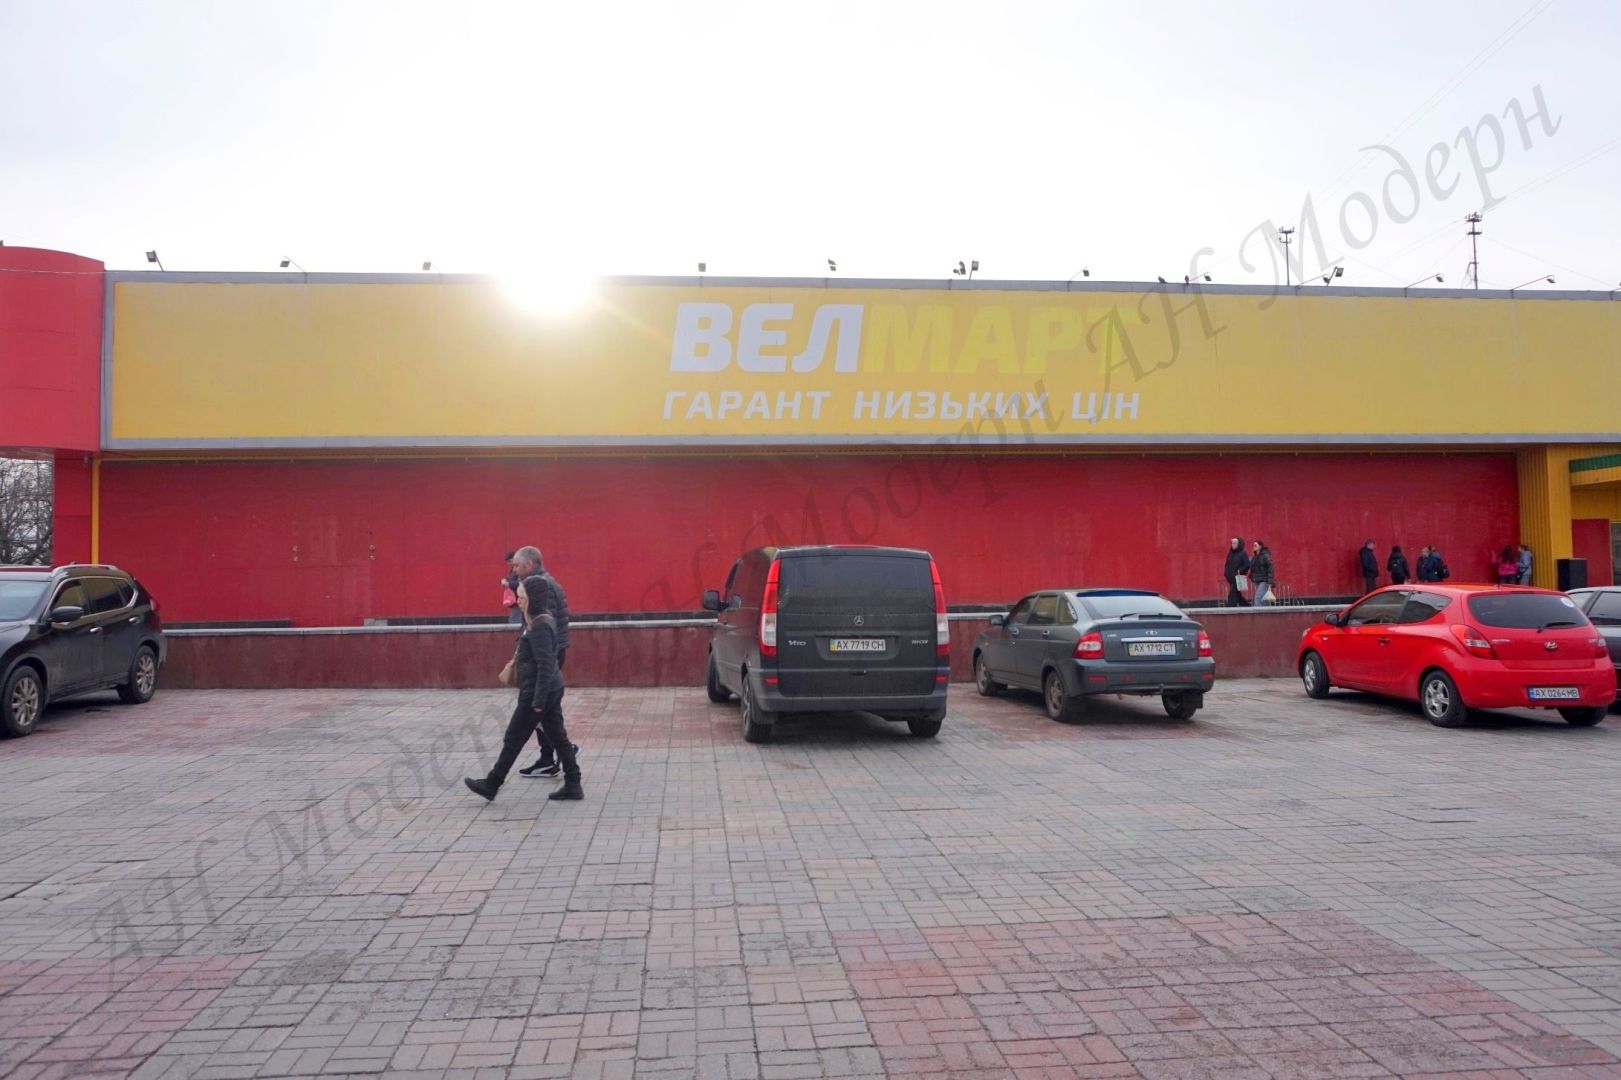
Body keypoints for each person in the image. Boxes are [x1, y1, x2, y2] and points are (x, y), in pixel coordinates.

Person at [465, 575, 583, 802]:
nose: (518, 601)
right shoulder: (539, 620)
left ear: (533, 599)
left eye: (521, 597)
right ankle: (573, 783)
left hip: (539, 691)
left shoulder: (540, 626)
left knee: (514, 737)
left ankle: (492, 783)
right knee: (558, 737)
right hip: (549, 688)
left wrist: (538, 700)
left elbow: (545, 664)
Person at [506, 546, 577, 778]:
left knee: (538, 705)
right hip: (547, 652)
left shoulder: (540, 586)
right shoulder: (542, 583)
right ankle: (552, 757)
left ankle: (559, 752)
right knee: (547, 710)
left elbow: (544, 626)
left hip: (546, 655)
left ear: (530, 564)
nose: (514, 570)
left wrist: (536, 653)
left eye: (517, 566)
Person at [1222, 537, 1251, 606]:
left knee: (1232, 594)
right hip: (1230, 578)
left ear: (1239, 544)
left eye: (1234, 543)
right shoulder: (1230, 553)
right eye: (1232, 543)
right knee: (1237, 594)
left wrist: (1240, 571)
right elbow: (1227, 564)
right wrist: (1226, 572)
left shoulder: (1243, 553)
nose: (1233, 545)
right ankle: (1246, 605)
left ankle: (1230, 608)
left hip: (1238, 577)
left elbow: (1247, 565)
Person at [1250, 540, 1275, 605]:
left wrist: (1270, 582)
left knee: (1258, 597)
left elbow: (1270, 567)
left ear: (1260, 546)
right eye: (1253, 545)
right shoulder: (1255, 556)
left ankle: (1257, 611)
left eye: (1255, 545)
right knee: (1264, 599)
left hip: (1264, 580)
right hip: (1257, 580)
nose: (1254, 547)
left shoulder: (1265, 555)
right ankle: (1267, 611)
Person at [501, 550, 523, 624]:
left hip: (519, 600)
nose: (508, 563)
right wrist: (505, 580)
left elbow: (521, 583)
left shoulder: (521, 569)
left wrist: (508, 584)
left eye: (509, 561)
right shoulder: (513, 570)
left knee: (515, 622)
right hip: (515, 600)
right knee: (514, 620)